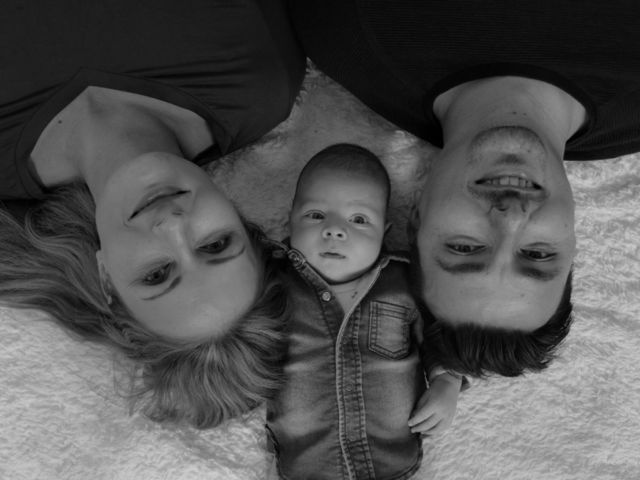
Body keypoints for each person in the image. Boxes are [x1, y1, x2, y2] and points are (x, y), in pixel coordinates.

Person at [287, 0, 640, 377]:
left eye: (465, 247)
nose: (511, 216)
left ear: (415, 219)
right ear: (572, 242)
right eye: (537, 254)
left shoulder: (347, 28)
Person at [0, 0, 305, 427]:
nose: (173, 224)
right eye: (216, 244)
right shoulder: (254, 80)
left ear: (105, 277)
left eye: (157, 274)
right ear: (241, 218)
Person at [267, 144, 463, 479]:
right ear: (290, 219)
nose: (334, 230)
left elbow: (438, 332)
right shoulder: (272, 282)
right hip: (306, 462)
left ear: (384, 232)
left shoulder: (404, 281)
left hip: (391, 458)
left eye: (358, 219)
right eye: (315, 215)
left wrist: (447, 381)